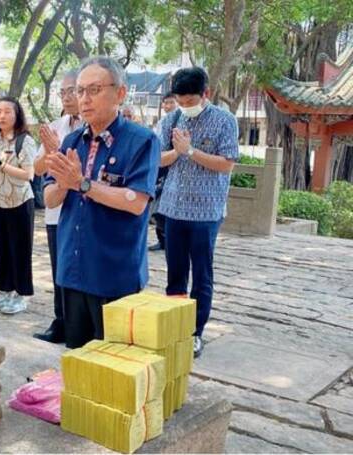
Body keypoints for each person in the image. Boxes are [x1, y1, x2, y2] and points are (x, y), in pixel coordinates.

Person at [44, 56, 160, 349]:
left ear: (120, 93)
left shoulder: (142, 141)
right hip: (73, 267)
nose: (84, 99)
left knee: (115, 364)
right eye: (79, 91)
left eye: (94, 90)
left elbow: (136, 203)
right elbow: (49, 198)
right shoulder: (70, 142)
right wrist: (64, 182)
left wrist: (82, 184)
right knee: (78, 358)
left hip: (114, 272)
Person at [157, 67, 239, 358]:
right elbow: (158, 159)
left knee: (201, 274)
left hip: (207, 210)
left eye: (190, 100)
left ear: (206, 94)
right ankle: (174, 328)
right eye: (180, 100)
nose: (185, 106)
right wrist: (177, 152)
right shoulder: (171, 119)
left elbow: (227, 163)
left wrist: (190, 151)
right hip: (173, 208)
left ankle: (195, 332)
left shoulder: (224, 121)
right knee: (175, 272)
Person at [32, 69, 82, 344]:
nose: (67, 97)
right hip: (55, 211)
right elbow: (38, 168)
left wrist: (59, 150)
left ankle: (78, 325)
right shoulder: (56, 125)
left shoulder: (92, 126)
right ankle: (60, 320)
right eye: (62, 92)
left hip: (82, 210)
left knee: (79, 271)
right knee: (59, 270)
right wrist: (51, 150)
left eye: (71, 90)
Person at [0, 96, 36, 315]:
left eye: (7, 112)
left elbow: (28, 174)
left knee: (20, 250)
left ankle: (22, 295)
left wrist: (0, 164)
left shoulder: (25, 141)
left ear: (17, 115)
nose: (2, 116)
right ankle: (6, 291)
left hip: (20, 202)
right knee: (1, 249)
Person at [149, 92, 178, 252]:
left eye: (171, 102)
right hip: (159, 171)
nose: (168, 106)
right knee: (157, 209)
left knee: (163, 209)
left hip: (171, 173)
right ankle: (162, 240)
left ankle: (169, 241)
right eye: (165, 103)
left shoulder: (179, 122)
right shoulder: (162, 122)